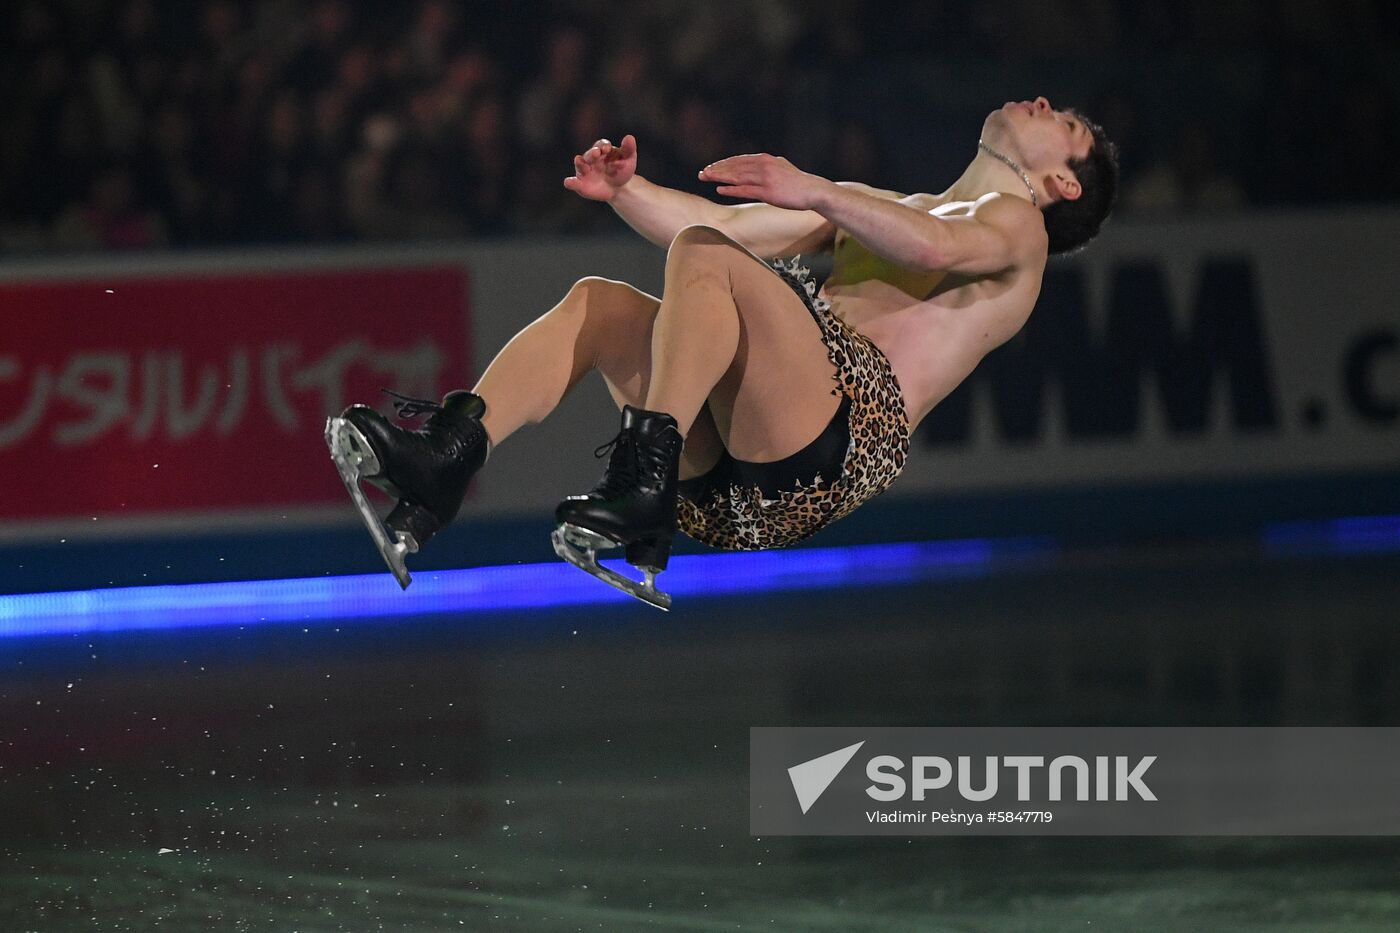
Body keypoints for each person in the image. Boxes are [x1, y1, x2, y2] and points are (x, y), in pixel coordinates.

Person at [325, 96, 1119, 608]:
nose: (1044, 104)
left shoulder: (1021, 227)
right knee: (601, 305)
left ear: (1064, 183)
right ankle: (446, 461)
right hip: (738, 477)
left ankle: (641, 486)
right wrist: (627, 192)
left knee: (707, 260)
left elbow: (939, 249)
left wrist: (817, 190)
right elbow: (725, 228)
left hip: (839, 439)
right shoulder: (886, 208)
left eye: (1066, 124)